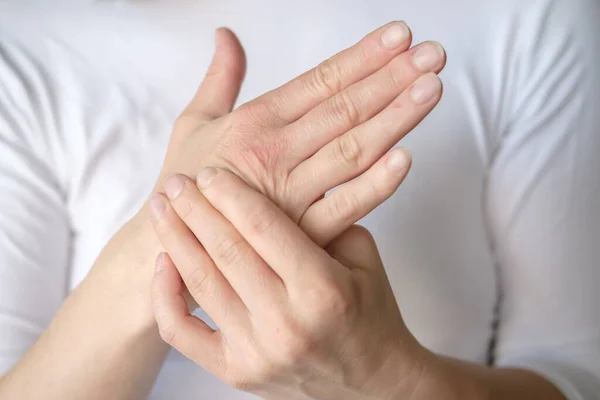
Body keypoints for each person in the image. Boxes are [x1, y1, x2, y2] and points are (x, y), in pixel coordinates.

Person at [0, 1, 598, 399]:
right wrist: (167, 239)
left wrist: (389, 377)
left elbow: (575, 373)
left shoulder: (529, 17)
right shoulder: (26, 44)